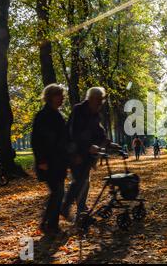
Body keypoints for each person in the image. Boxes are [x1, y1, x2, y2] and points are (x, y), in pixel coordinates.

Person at [61, 87, 121, 221]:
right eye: (99, 101)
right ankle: (66, 206)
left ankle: (82, 211)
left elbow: (99, 132)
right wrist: (88, 146)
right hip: (74, 152)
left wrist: (109, 143)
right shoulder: (78, 110)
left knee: (84, 181)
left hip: (86, 155)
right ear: (91, 98)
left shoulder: (95, 114)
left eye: (101, 101)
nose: (100, 104)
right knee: (79, 181)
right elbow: (73, 133)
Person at [31, 84, 69, 236]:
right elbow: (36, 140)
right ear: (50, 97)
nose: (61, 98)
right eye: (58, 95)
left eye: (62, 95)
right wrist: (41, 161)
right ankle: (50, 226)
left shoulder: (57, 115)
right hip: (49, 162)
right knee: (57, 193)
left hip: (58, 161)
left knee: (58, 193)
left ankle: (47, 224)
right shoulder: (44, 115)